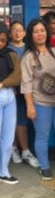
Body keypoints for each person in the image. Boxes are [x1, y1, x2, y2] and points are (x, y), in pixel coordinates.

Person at [20, 18, 55, 181]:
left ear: (47, 32)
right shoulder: (29, 57)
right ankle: (44, 166)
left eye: (42, 30)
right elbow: (26, 83)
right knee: (43, 135)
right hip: (40, 103)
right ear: (31, 35)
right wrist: (30, 106)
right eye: (36, 31)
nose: (40, 34)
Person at [8, 21, 39, 168]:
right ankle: (18, 149)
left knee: (23, 121)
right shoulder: (7, 50)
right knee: (16, 121)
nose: (17, 33)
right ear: (10, 33)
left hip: (28, 91)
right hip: (12, 91)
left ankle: (21, 149)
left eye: (20, 30)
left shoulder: (29, 49)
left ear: (25, 33)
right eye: (14, 30)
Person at [0, 24, 21, 184]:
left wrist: (2, 84)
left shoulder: (11, 53)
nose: (0, 43)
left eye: (3, 40)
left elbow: (18, 76)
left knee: (8, 136)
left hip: (9, 96)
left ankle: (4, 171)